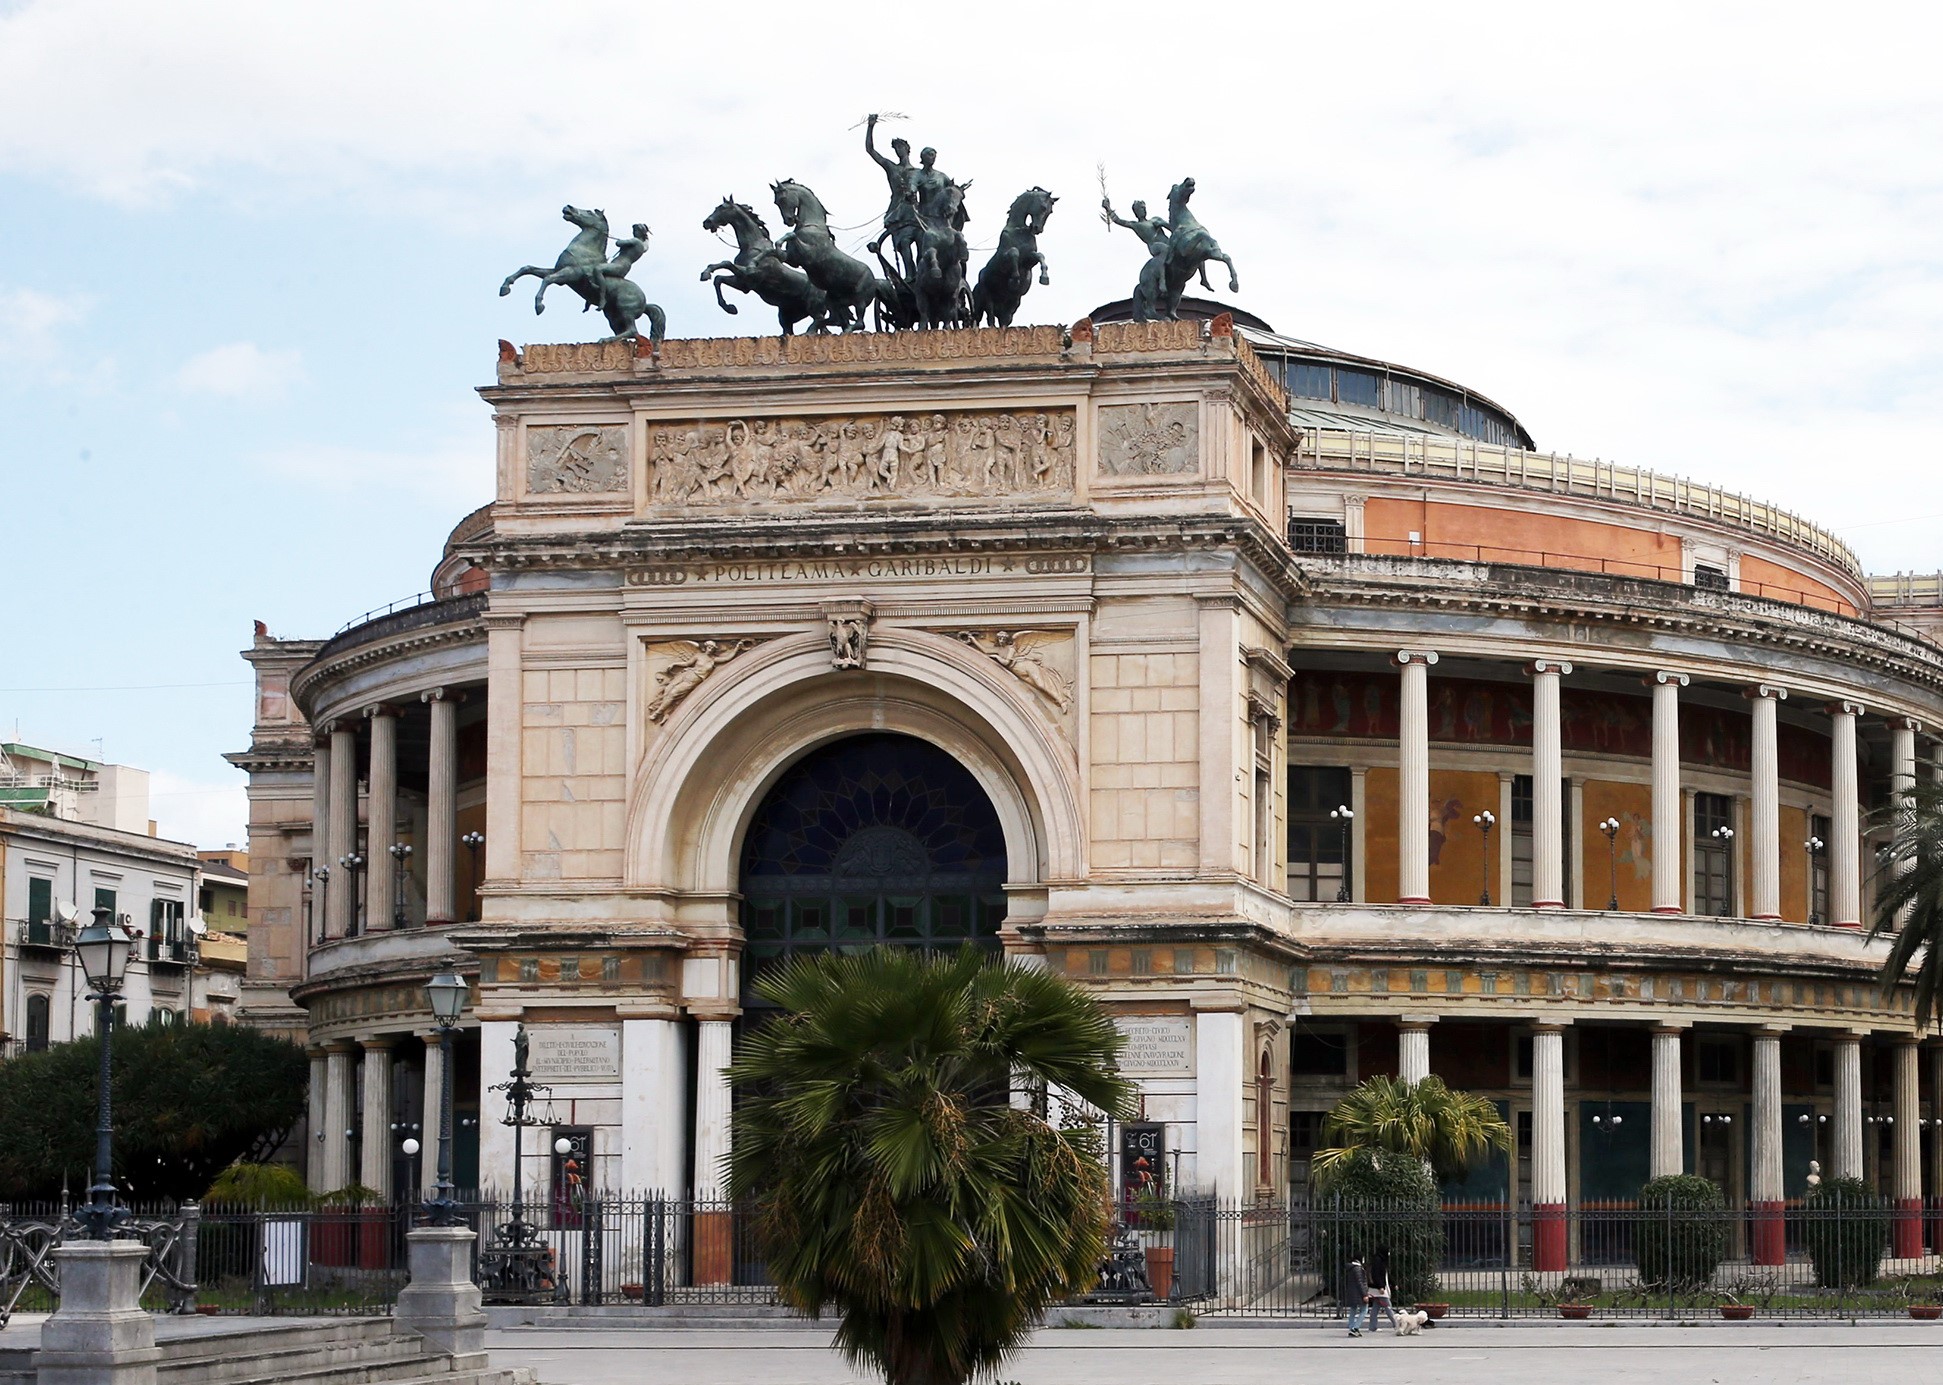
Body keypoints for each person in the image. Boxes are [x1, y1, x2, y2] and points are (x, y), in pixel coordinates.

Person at [1365, 1247, 1400, 1334]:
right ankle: (1396, 1325)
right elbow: (1376, 1274)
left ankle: (1372, 1327)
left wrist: (1393, 1283)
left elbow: (1386, 1275)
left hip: (1377, 1289)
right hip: (1379, 1290)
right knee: (1388, 1307)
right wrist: (1380, 1286)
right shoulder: (1378, 1261)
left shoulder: (1380, 1260)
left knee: (1375, 1308)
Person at [1344, 1255, 1369, 1337]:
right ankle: (1355, 1328)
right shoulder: (1358, 1269)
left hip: (1352, 1293)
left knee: (1353, 1310)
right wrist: (1364, 1294)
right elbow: (1360, 1282)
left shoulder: (1351, 1268)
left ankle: (1351, 1327)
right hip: (1358, 1293)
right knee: (1364, 1310)